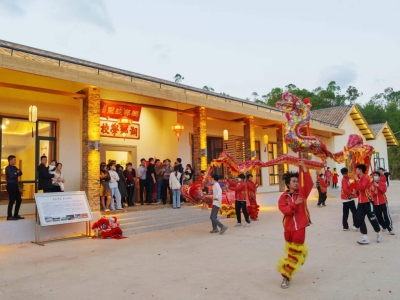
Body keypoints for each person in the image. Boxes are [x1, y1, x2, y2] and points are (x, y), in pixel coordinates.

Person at [277, 160, 312, 289]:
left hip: (300, 227)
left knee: (293, 254)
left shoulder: (302, 193)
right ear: (288, 184)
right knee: (292, 253)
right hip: (288, 229)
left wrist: (304, 169)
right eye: (294, 181)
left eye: (297, 181)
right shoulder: (283, 197)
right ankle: (300, 256)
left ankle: (286, 277)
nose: (296, 183)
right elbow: (285, 211)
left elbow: (309, 183)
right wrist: (294, 204)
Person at [354, 164, 382, 245]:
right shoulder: (359, 179)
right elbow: (358, 190)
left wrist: (357, 180)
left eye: (357, 169)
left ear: (360, 170)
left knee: (372, 218)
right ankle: (365, 237)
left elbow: (361, 188)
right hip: (361, 202)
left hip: (368, 201)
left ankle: (379, 233)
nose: (355, 171)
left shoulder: (365, 178)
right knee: (359, 218)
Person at [5, 155, 24, 221]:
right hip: (10, 185)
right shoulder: (7, 168)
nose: (15, 161)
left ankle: (16, 215)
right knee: (12, 200)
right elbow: (12, 175)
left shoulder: (15, 167)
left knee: (19, 200)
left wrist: (16, 173)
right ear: (10, 161)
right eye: (14, 160)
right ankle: (9, 216)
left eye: (15, 160)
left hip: (15, 185)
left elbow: (21, 173)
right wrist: (16, 173)